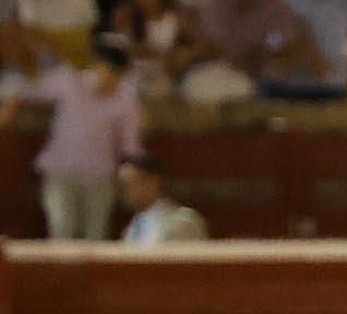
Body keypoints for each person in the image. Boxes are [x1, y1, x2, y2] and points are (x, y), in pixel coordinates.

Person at [20, 31, 144, 240]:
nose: (110, 78)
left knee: (96, 235)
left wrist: (134, 171)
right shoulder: (69, 81)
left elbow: (130, 144)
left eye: (117, 73)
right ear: (98, 66)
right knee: (61, 230)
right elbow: (30, 91)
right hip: (60, 170)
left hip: (99, 174)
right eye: (108, 69)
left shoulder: (126, 99)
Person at [117, 150, 208, 241]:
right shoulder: (131, 227)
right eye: (121, 185)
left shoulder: (183, 221)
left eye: (129, 183)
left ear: (152, 182)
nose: (124, 191)